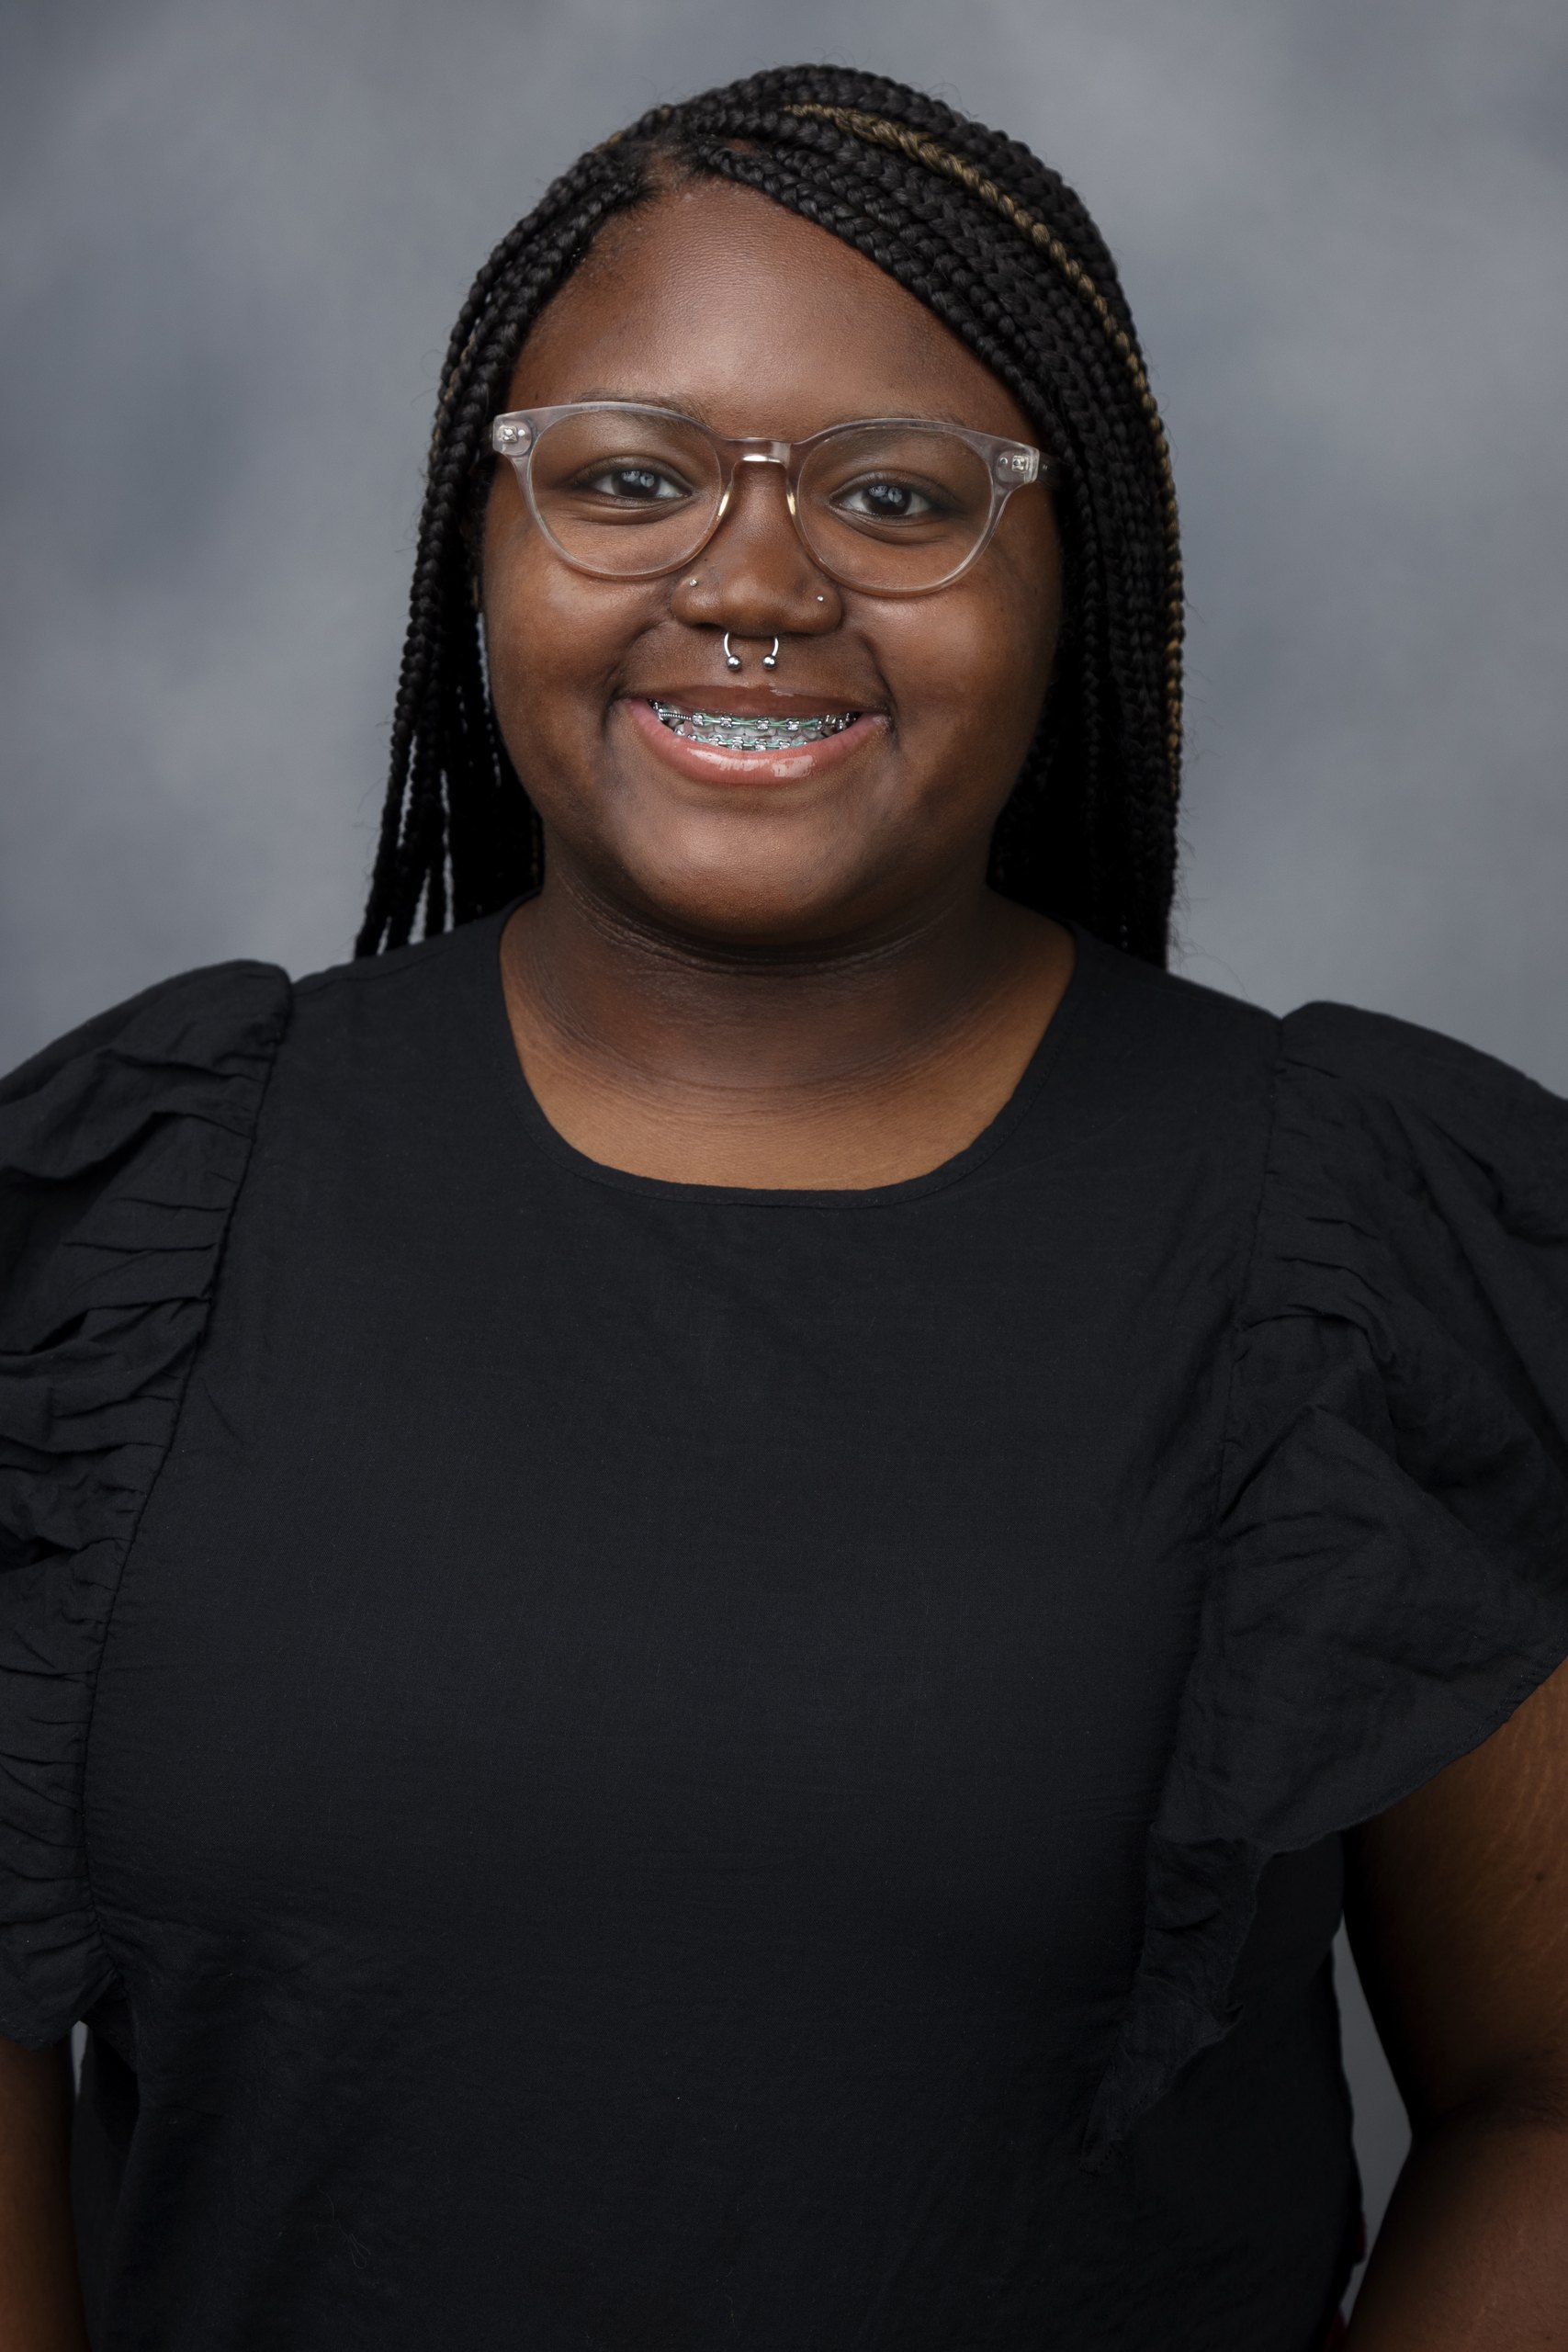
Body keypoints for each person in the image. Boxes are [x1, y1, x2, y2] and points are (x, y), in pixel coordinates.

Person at [1, 62, 1565, 2352]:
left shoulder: (1352, 1234)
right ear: (480, 537)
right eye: (627, 477)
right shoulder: (124, 1214)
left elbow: (1540, 2086)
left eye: (896, 494)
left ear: (1074, 574)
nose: (749, 578)